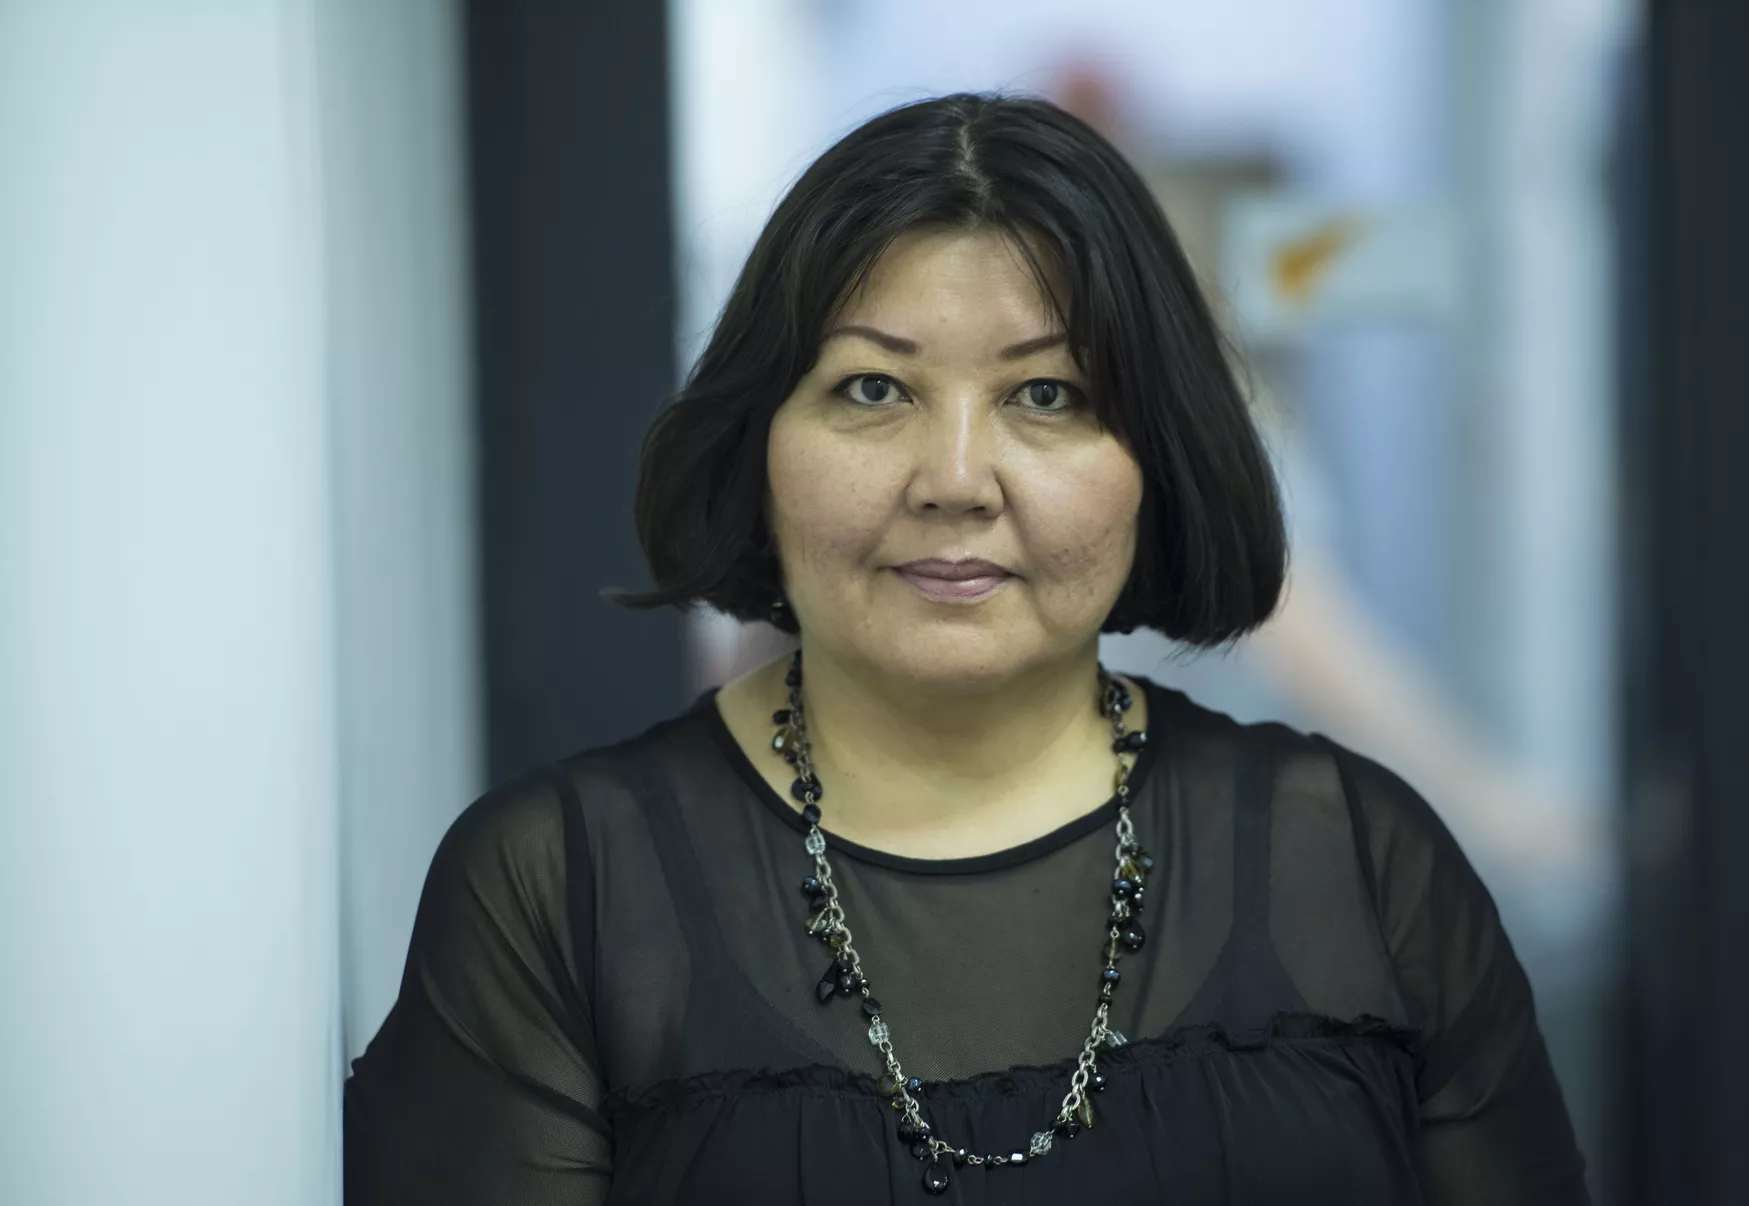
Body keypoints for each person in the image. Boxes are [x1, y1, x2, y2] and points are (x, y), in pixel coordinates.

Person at [344, 93, 1588, 1204]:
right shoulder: (559, 891)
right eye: (872, 389)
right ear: (758, 445)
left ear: (1157, 458)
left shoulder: (1363, 865)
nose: (954, 479)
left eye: (1047, 395)